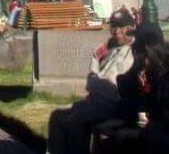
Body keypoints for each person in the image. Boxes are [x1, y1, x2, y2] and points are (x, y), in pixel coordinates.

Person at [46, 15, 156, 153]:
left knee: (77, 121)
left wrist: (97, 84)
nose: (116, 31)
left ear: (130, 29)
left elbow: (118, 85)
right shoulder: (107, 49)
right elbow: (93, 75)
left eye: (121, 27)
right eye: (114, 27)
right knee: (57, 116)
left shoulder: (135, 51)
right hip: (96, 100)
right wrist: (95, 83)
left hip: (115, 105)